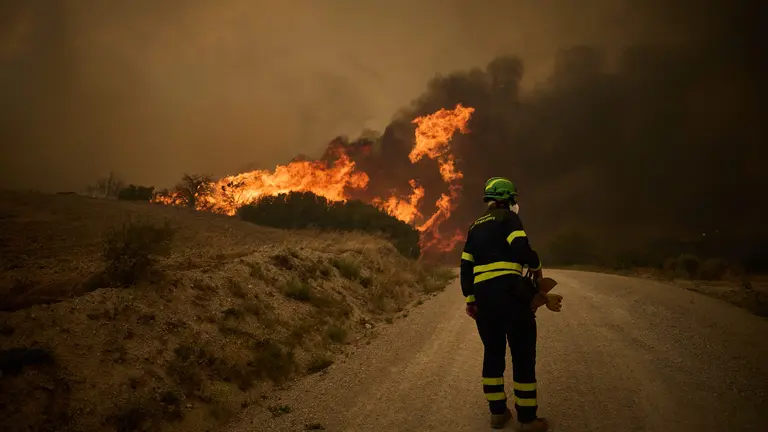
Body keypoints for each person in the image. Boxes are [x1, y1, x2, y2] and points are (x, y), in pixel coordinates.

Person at [460, 177, 551, 431]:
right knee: (522, 354)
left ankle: (498, 413)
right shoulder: (508, 219)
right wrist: (536, 265)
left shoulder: (475, 226)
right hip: (511, 296)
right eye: (513, 200)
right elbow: (520, 248)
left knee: (493, 352)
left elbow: (466, 266)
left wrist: (470, 300)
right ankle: (527, 419)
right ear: (508, 199)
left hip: (484, 301)